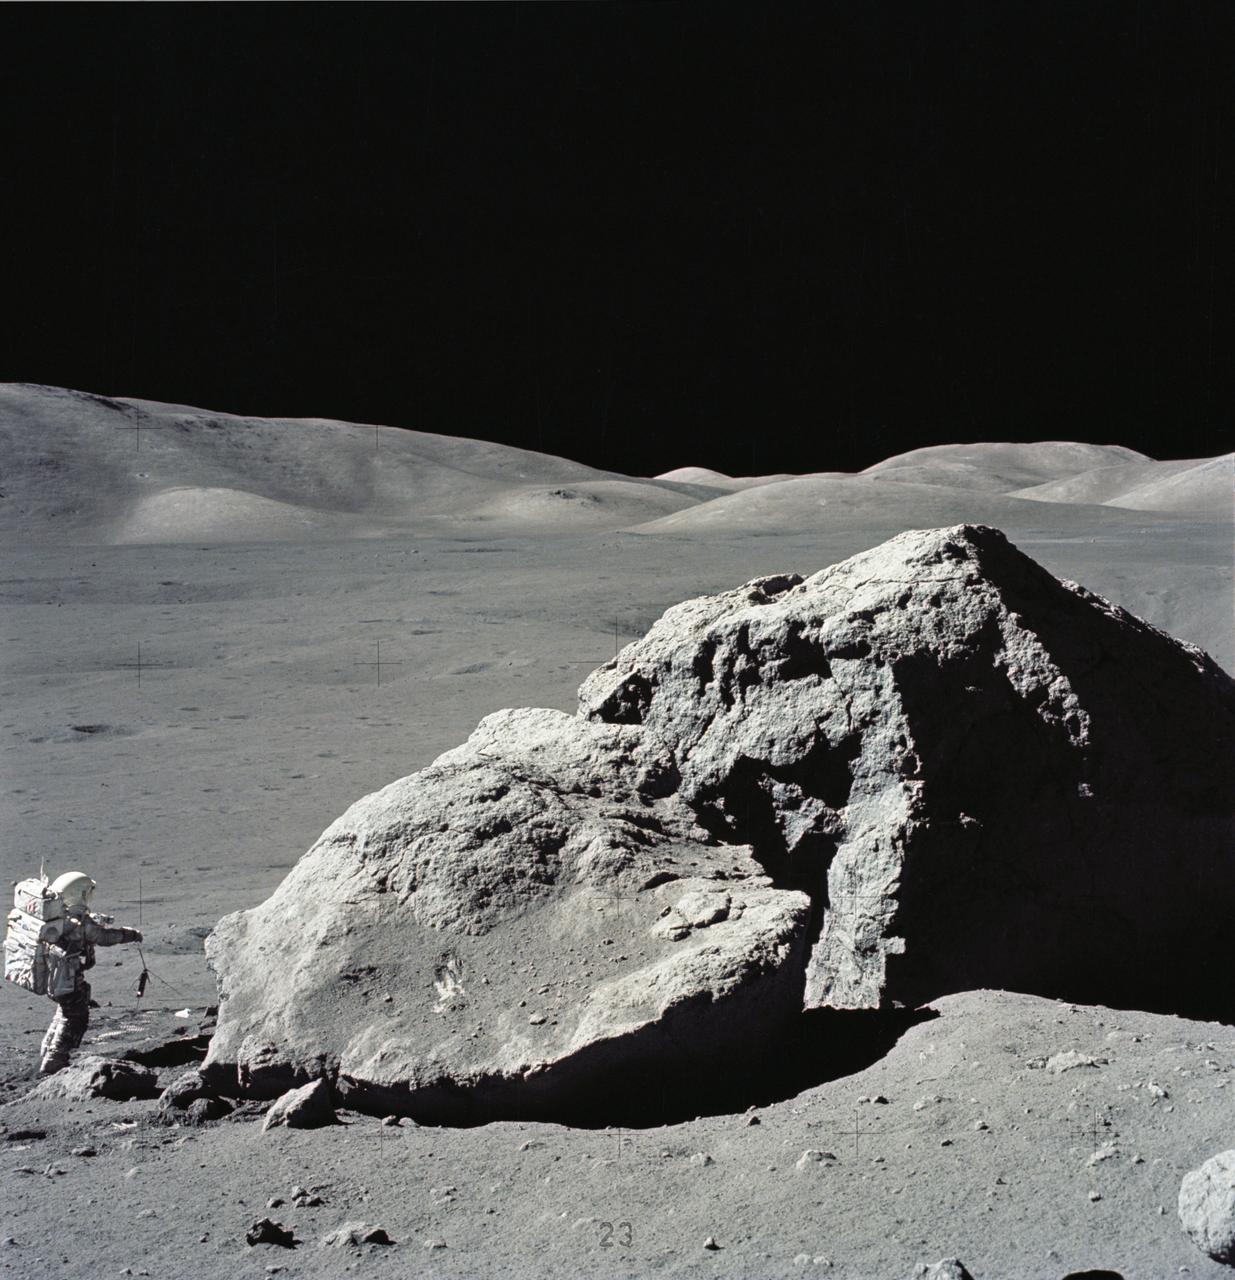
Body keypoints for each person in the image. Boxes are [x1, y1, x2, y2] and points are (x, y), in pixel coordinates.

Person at [38, 872, 142, 1076]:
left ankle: (47, 1052)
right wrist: (130, 934)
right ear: (80, 894)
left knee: (64, 1013)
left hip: (54, 980)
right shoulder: (78, 923)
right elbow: (104, 937)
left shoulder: (59, 919)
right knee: (76, 1017)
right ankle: (55, 1060)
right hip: (67, 981)